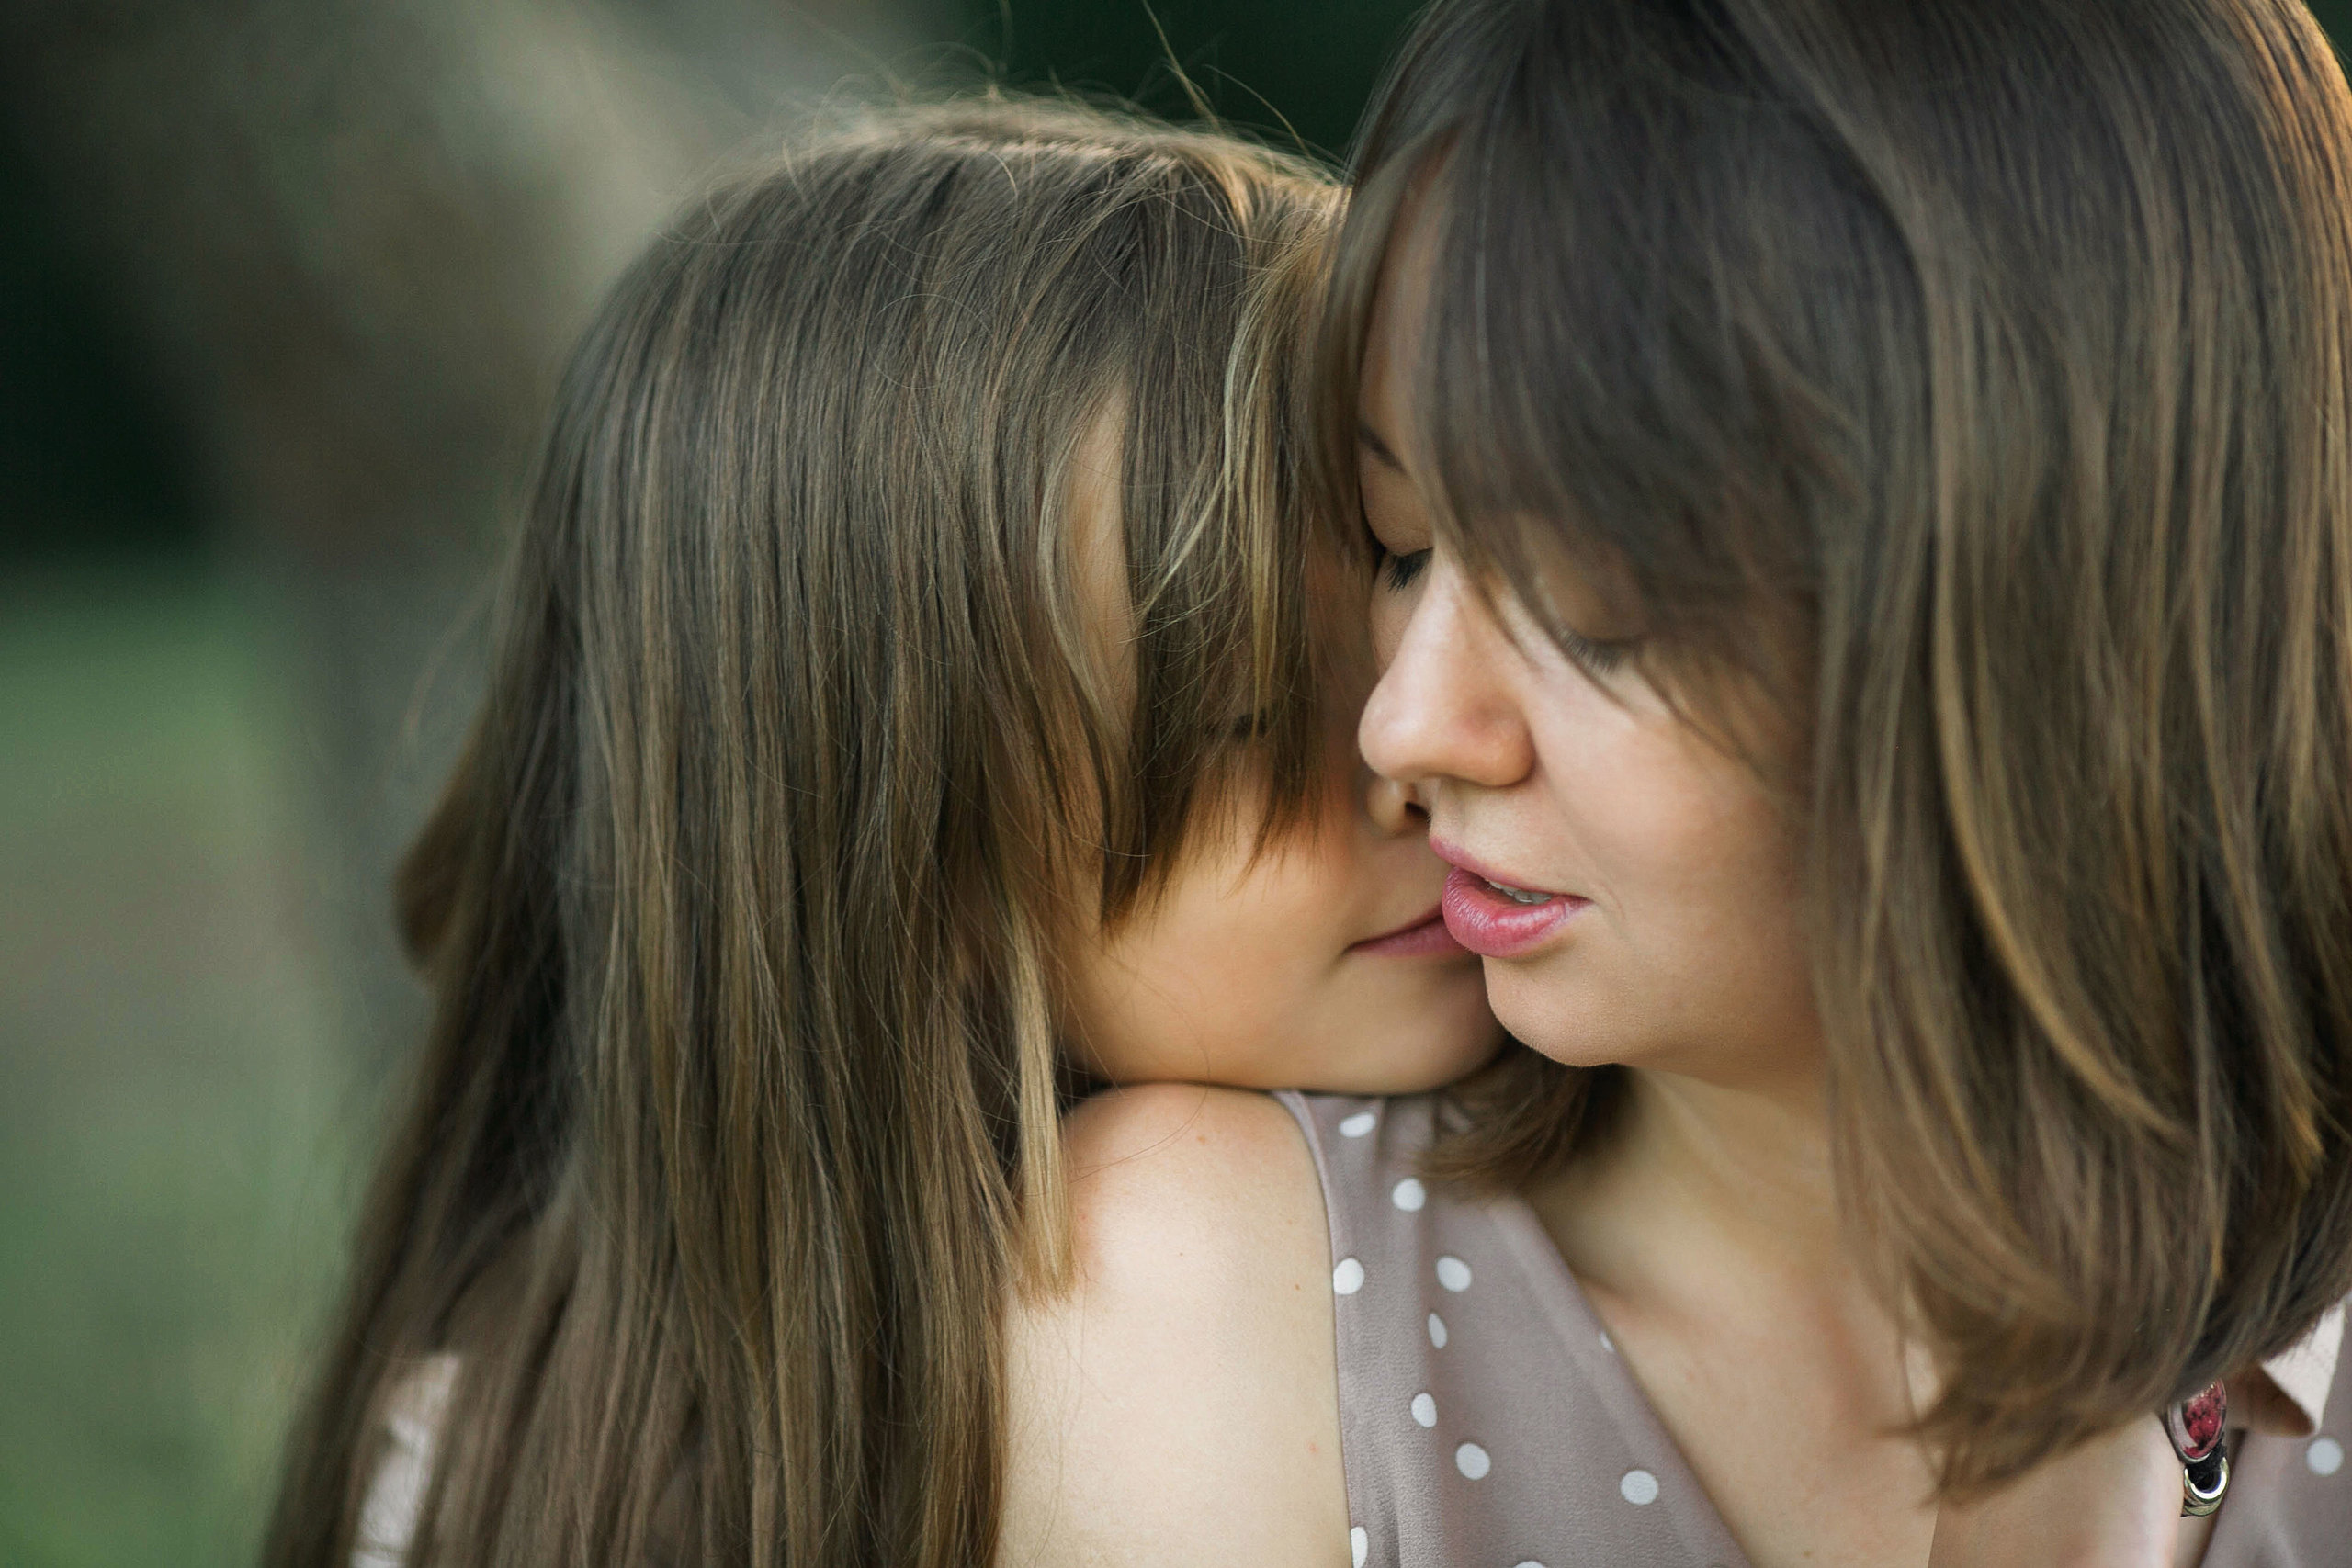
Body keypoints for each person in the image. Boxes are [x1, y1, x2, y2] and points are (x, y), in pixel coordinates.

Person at [1002, 2, 2352, 1564]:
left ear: (2061, 597)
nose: (1407, 725)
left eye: (1591, 604)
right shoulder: (1216, 1289)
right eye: (1402, 545)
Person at [260, 99, 1503, 1568]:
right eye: (1243, 714)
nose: (1425, 738)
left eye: (1425, 582)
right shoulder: (515, 1492)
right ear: (916, 870)